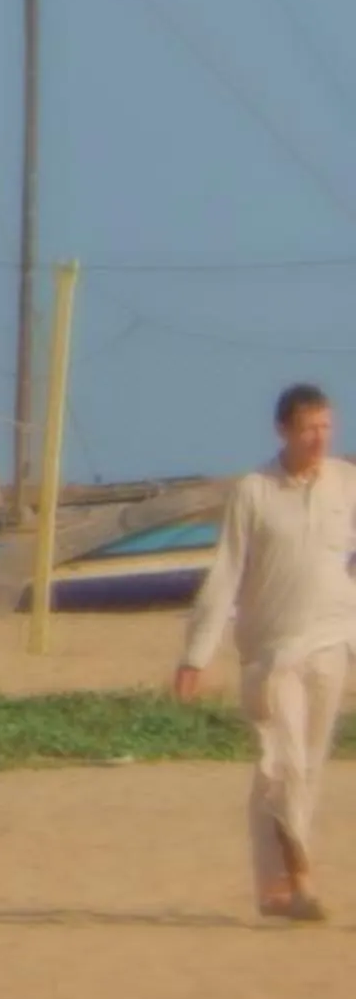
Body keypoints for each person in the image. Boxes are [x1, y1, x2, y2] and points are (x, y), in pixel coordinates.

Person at [172, 382, 356, 922]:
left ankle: (276, 887)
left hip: (332, 643)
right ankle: (300, 882)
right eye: (308, 428)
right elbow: (226, 571)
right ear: (283, 430)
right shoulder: (254, 490)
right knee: (284, 763)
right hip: (272, 651)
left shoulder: (347, 484)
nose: (319, 437)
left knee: (307, 767)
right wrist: (195, 655)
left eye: (326, 426)